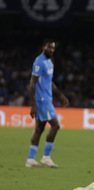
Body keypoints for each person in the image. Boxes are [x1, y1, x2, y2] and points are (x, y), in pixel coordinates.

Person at [25, 39, 69, 168]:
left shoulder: (50, 61)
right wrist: (33, 104)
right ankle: (46, 157)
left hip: (47, 98)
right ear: (43, 47)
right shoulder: (39, 61)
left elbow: (49, 81)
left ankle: (30, 159)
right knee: (55, 125)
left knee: (39, 128)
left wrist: (60, 94)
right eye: (49, 47)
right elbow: (32, 83)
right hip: (42, 100)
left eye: (53, 48)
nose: (51, 50)